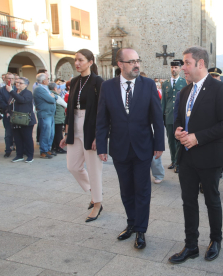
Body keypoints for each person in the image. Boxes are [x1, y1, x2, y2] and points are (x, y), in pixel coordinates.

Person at [168, 46, 223, 264]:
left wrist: (198, 137)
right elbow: (179, 118)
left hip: (209, 157)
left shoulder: (220, 88)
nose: (183, 67)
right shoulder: (185, 91)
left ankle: (216, 240)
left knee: (212, 201)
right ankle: (191, 245)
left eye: (187, 63)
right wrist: (178, 130)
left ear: (201, 63)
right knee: (188, 202)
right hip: (186, 158)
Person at [96, 48, 164, 249]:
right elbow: (102, 120)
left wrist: (159, 144)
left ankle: (141, 231)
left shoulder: (148, 85)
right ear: (120, 64)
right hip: (119, 148)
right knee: (126, 190)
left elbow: (157, 118)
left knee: (142, 190)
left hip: (143, 147)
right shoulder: (107, 87)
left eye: (138, 60)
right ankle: (131, 224)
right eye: (132, 61)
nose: (137, 65)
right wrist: (101, 145)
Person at [60, 49, 105, 222]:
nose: (77, 63)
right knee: (73, 166)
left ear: (90, 62)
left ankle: (97, 203)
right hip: (74, 125)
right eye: (75, 60)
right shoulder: (75, 81)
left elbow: (103, 111)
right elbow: (69, 108)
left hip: (91, 126)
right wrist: (66, 132)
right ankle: (94, 192)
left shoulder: (98, 82)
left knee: (94, 169)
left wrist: (98, 135)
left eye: (80, 60)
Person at [162, 59, 186, 171]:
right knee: (171, 140)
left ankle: (178, 162)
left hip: (179, 116)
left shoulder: (184, 82)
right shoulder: (166, 83)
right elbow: (164, 102)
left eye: (176, 67)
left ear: (180, 69)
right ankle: (173, 160)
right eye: (172, 67)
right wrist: (162, 116)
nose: (173, 69)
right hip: (169, 116)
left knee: (179, 141)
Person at [9, 77, 36, 163]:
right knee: (17, 138)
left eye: (20, 83)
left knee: (27, 138)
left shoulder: (28, 93)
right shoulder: (14, 93)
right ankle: (19, 155)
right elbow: (9, 104)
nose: (17, 84)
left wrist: (11, 91)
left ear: (26, 85)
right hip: (16, 120)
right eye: (16, 82)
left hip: (26, 120)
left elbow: (22, 100)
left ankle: (30, 156)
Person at [33, 73, 57, 159]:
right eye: (47, 79)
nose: (48, 81)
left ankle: (47, 149)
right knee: (45, 133)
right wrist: (53, 97)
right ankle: (43, 151)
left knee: (51, 133)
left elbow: (55, 97)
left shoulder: (45, 88)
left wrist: (53, 97)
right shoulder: (39, 89)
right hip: (45, 114)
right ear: (43, 81)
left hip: (50, 113)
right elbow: (51, 99)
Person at [0, 72, 16, 157]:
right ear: (5, 79)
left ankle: (21, 149)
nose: (10, 80)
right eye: (8, 78)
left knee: (19, 133)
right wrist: (8, 110)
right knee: (8, 133)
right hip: (7, 114)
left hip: (18, 114)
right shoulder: (0, 90)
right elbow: (0, 102)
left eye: (12, 78)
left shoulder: (17, 89)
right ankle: (8, 150)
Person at [49, 82, 67, 154]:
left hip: (54, 117)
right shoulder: (57, 96)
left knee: (55, 133)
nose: (60, 90)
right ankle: (59, 147)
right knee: (58, 134)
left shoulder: (49, 94)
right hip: (58, 118)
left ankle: (55, 147)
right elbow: (66, 105)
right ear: (55, 88)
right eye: (59, 88)